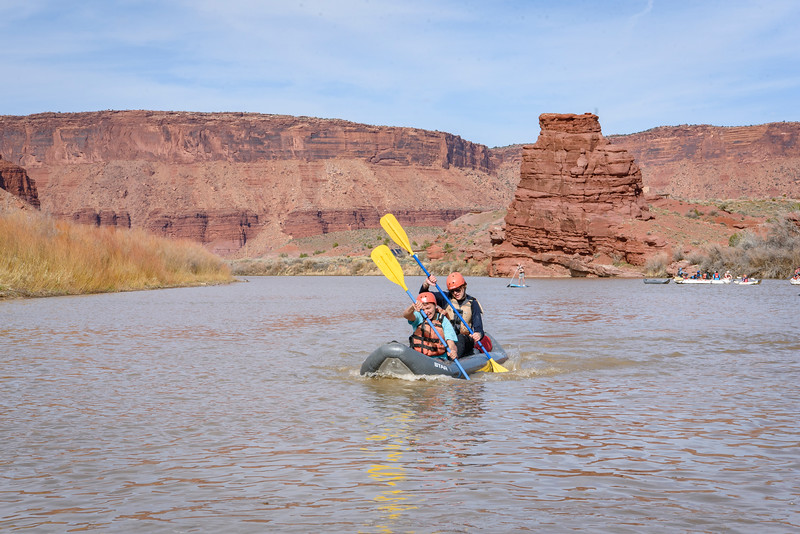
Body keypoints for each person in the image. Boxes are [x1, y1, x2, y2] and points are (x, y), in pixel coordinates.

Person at [420, 272, 486, 358]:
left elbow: (479, 328)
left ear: (464, 286)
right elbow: (424, 297)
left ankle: (453, 360)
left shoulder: (473, 303)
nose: (455, 293)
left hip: (465, 340)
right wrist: (426, 284)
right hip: (447, 338)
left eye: (458, 290)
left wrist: (478, 334)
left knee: (460, 338)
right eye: (452, 291)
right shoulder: (445, 297)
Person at [403, 292, 458, 360]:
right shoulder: (419, 316)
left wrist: (452, 350)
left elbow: (450, 342)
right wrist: (412, 307)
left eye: (428, 308)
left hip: (439, 359)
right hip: (418, 357)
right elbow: (406, 315)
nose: (426, 312)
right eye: (423, 309)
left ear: (435, 306)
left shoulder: (443, 320)